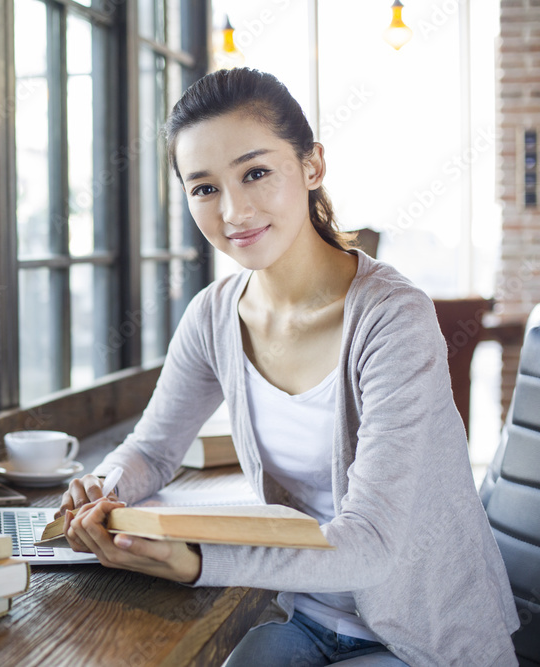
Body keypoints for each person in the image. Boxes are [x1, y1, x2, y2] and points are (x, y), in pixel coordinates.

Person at [57, 68, 519, 666]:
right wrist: (106, 487)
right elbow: (153, 450)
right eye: (204, 188)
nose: (233, 211)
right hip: (304, 614)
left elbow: (372, 545)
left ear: (311, 166)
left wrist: (197, 561)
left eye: (255, 172)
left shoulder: (393, 319)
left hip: (423, 634)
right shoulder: (214, 316)